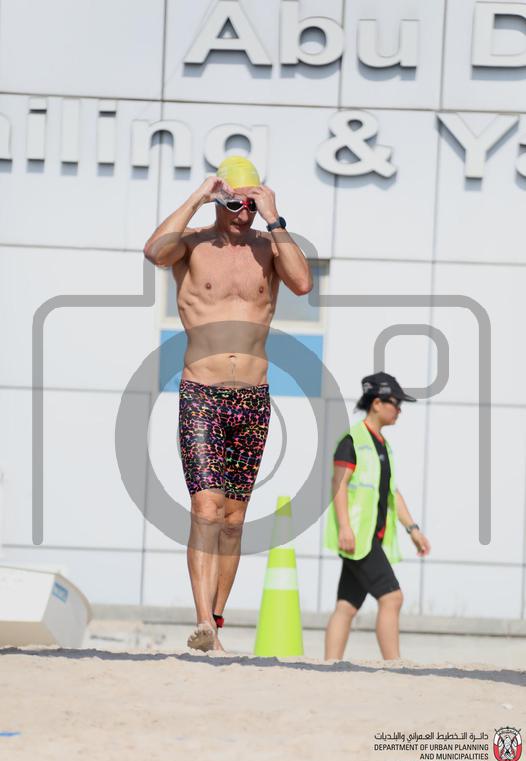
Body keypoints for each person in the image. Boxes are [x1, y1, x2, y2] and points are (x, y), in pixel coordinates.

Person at [143, 156, 312, 652]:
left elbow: (302, 283)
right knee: (205, 509)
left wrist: (275, 218)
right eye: (235, 203)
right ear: (220, 200)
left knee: (234, 521)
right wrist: (199, 196)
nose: (244, 214)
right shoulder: (193, 244)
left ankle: (215, 621)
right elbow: (154, 252)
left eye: (251, 204)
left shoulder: (269, 247)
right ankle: (202, 621)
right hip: (202, 392)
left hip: (252, 398)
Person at [324, 372, 431, 661]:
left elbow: (392, 492)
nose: (399, 410)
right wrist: (345, 527)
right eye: (396, 403)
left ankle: (330, 665)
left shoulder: (381, 444)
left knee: (347, 605)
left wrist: (413, 529)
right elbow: (338, 485)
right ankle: (394, 665)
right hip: (359, 538)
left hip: (370, 536)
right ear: (377, 403)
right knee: (392, 597)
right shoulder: (353, 441)